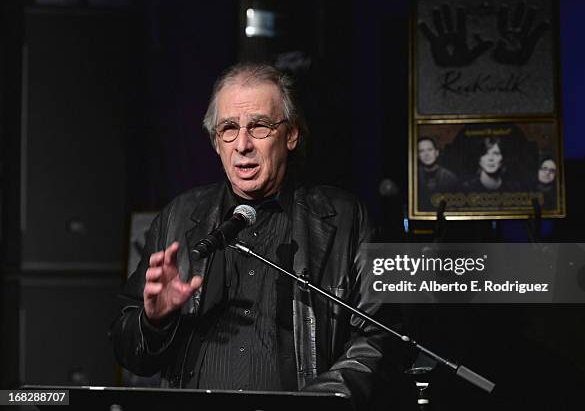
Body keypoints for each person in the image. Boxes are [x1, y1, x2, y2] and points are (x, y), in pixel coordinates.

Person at [110, 63, 404, 410]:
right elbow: (131, 354)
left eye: (260, 127)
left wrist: (309, 406)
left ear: (291, 135)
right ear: (215, 142)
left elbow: (379, 336)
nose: (243, 145)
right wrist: (154, 321)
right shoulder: (179, 216)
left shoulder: (346, 218)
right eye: (229, 129)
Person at [417, 137, 458, 210]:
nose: (426, 154)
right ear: (418, 155)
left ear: (436, 152)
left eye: (430, 150)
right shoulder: (413, 177)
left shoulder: (450, 177)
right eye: (421, 151)